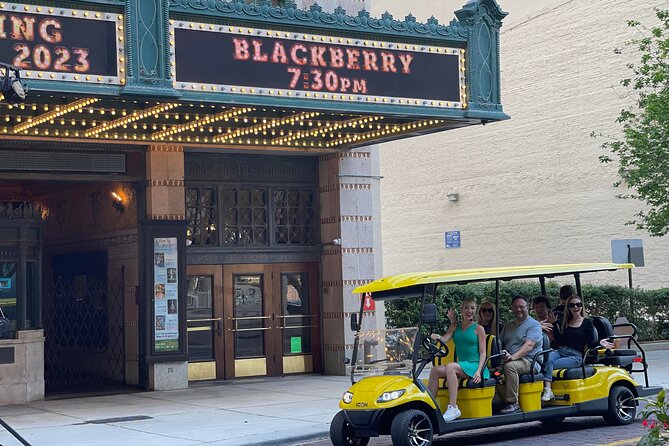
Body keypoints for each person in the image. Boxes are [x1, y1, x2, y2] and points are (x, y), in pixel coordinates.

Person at [540, 295, 614, 401]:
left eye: (578, 305)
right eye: (572, 305)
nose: (575, 307)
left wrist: (600, 343)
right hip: (561, 350)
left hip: (575, 356)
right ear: (568, 308)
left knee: (550, 365)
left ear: (581, 307)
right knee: (546, 359)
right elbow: (561, 340)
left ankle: (547, 389)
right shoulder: (567, 321)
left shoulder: (587, 322)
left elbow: (591, 343)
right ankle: (548, 390)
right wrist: (554, 323)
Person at [427, 298, 490, 422]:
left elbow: (483, 353)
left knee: (450, 366)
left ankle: (453, 407)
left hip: (476, 366)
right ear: (461, 310)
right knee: (435, 370)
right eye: (466, 307)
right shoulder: (455, 327)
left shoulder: (479, 329)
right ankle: (430, 407)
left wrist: (479, 371)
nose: (469, 311)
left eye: (472, 308)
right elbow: (444, 339)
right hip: (463, 365)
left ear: (475, 311)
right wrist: (436, 337)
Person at [499, 295, 543, 414]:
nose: (519, 310)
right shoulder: (508, 326)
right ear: (512, 308)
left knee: (510, 367)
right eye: (516, 307)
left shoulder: (534, 325)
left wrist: (512, 357)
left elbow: (528, 346)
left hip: (530, 362)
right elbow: (499, 343)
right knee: (492, 371)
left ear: (527, 308)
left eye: (522, 307)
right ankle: (496, 400)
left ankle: (513, 403)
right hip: (510, 359)